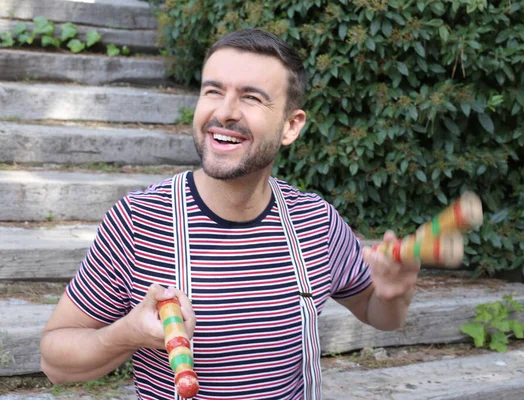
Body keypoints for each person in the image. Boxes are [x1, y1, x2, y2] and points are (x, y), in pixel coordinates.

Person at [40, 29, 420, 400]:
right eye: (213, 91)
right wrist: (128, 334)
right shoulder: (139, 221)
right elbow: (55, 361)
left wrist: (393, 295)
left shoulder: (316, 222)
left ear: (291, 126)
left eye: (251, 97)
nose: (224, 112)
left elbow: (381, 315)